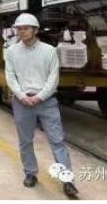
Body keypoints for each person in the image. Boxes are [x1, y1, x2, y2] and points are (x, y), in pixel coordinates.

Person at [5, 13, 78, 198]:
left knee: (57, 140)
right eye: (19, 28)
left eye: (26, 28)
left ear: (35, 30)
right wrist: (22, 96)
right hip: (22, 102)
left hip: (46, 102)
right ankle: (30, 173)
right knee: (25, 141)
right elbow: (10, 77)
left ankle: (67, 180)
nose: (22, 31)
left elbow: (53, 78)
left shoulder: (49, 51)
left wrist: (39, 97)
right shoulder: (12, 51)